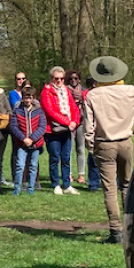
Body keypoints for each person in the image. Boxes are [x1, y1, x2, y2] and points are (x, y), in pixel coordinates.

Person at [85, 56, 134, 244]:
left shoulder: (93, 95)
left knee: (110, 190)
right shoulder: (132, 91)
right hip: (125, 142)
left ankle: (116, 231)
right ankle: (130, 227)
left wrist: (90, 146)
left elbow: (88, 127)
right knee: (127, 185)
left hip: (104, 143)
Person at [41, 66, 80, 195]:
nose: (59, 81)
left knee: (66, 157)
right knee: (54, 158)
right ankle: (56, 184)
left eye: (62, 78)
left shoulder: (66, 91)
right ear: (52, 78)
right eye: (56, 78)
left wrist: (75, 121)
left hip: (67, 130)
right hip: (52, 130)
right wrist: (68, 122)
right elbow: (50, 111)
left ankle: (67, 184)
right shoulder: (46, 92)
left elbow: (73, 107)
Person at [10, 83, 45, 194]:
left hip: (35, 143)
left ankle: (31, 188)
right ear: (22, 98)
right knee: (20, 165)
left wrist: (32, 139)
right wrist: (23, 138)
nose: (28, 100)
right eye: (26, 97)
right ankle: (17, 188)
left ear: (33, 98)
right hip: (21, 143)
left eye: (30, 97)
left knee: (33, 166)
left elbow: (42, 127)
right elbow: (14, 126)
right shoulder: (17, 110)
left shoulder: (39, 111)